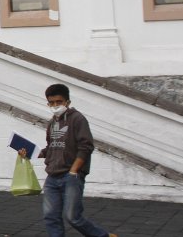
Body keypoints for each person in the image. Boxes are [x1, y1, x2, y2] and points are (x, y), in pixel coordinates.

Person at [21, 83, 117, 237]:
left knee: (73, 217)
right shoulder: (52, 122)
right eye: (51, 103)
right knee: (51, 216)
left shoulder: (78, 119)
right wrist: (30, 152)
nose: (55, 106)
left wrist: (74, 170)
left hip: (71, 176)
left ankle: (104, 236)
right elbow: (52, 148)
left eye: (58, 102)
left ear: (67, 102)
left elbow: (86, 146)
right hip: (52, 176)